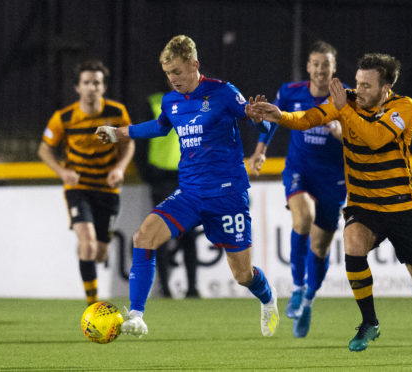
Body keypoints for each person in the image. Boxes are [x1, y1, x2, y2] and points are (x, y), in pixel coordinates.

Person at [246, 53, 412, 364]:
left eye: (366, 85)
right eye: (357, 83)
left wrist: (343, 111)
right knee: (353, 245)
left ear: (387, 87)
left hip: (402, 207)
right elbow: (309, 118)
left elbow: (375, 138)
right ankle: (370, 322)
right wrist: (280, 116)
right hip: (363, 204)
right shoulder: (348, 101)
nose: (358, 90)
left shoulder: (404, 107)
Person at [96, 35, 279, 337]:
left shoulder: (223, 93)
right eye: (168, 74)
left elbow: (259, 121)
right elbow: (159, 126)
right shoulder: (171, 101)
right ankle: (137, 315)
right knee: (143, 237)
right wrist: (118, 134)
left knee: (243, 275)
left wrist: (259, 119)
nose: (173, 80)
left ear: (194, 64)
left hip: (227, 195)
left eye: (178, 72)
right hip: (190, 194)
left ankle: (268, 298)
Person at [247, 41, 346, 338]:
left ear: (333, 68)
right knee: (303, 219)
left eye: (325, 65)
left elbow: (359, 138)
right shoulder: (291, 92)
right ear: (308, 66)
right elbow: (274, 120)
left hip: (334, 178)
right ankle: (298, 288)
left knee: (320, 246)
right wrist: (260, 150)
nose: (319, 70)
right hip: (299, 170)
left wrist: (342, 133)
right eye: (315, 63)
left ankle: (309, 299)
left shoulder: (344, 98)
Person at [38, 59, 135, 305]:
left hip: (108, 188)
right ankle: (92, 305)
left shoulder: (116, 113)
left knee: (100, 253)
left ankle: (87, 249)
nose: (92, 87)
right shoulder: (64, 118)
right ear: (77, 87)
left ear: (103, 87)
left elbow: (128, 142)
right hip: (78, 188)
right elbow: (44, 150)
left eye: (97, 83)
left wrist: (120, 168)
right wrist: (62, 172)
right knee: (89, 245)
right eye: (87, 82)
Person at [134, 91, 199, 298]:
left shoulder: (199, 101)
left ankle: (192, 289)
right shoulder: (154, 103)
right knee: (161, 233)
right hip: (161, 176)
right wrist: (147, 174)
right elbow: (142, 141)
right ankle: (165, 289)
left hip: (188, 175)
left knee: (189, 234)